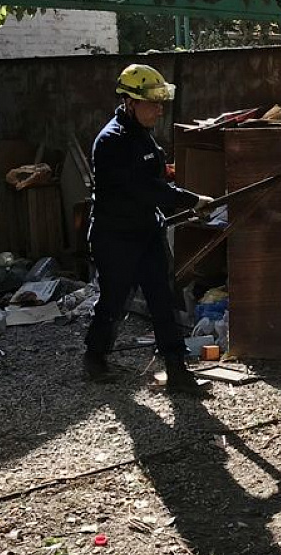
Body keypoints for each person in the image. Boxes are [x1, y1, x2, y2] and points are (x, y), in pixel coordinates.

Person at [84, 63, 213, 394]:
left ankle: (177, 370)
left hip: (146, 232)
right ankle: (95, 357)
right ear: (130, 102)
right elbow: (144, 189)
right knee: (114, 299)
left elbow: (154, 181)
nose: (159, 110)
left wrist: (179, 197)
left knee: (161, 299)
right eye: (152, 103)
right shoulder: (111, 141)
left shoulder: (143, 135)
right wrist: (192, 200)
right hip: (115, 237)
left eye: (160, 102)